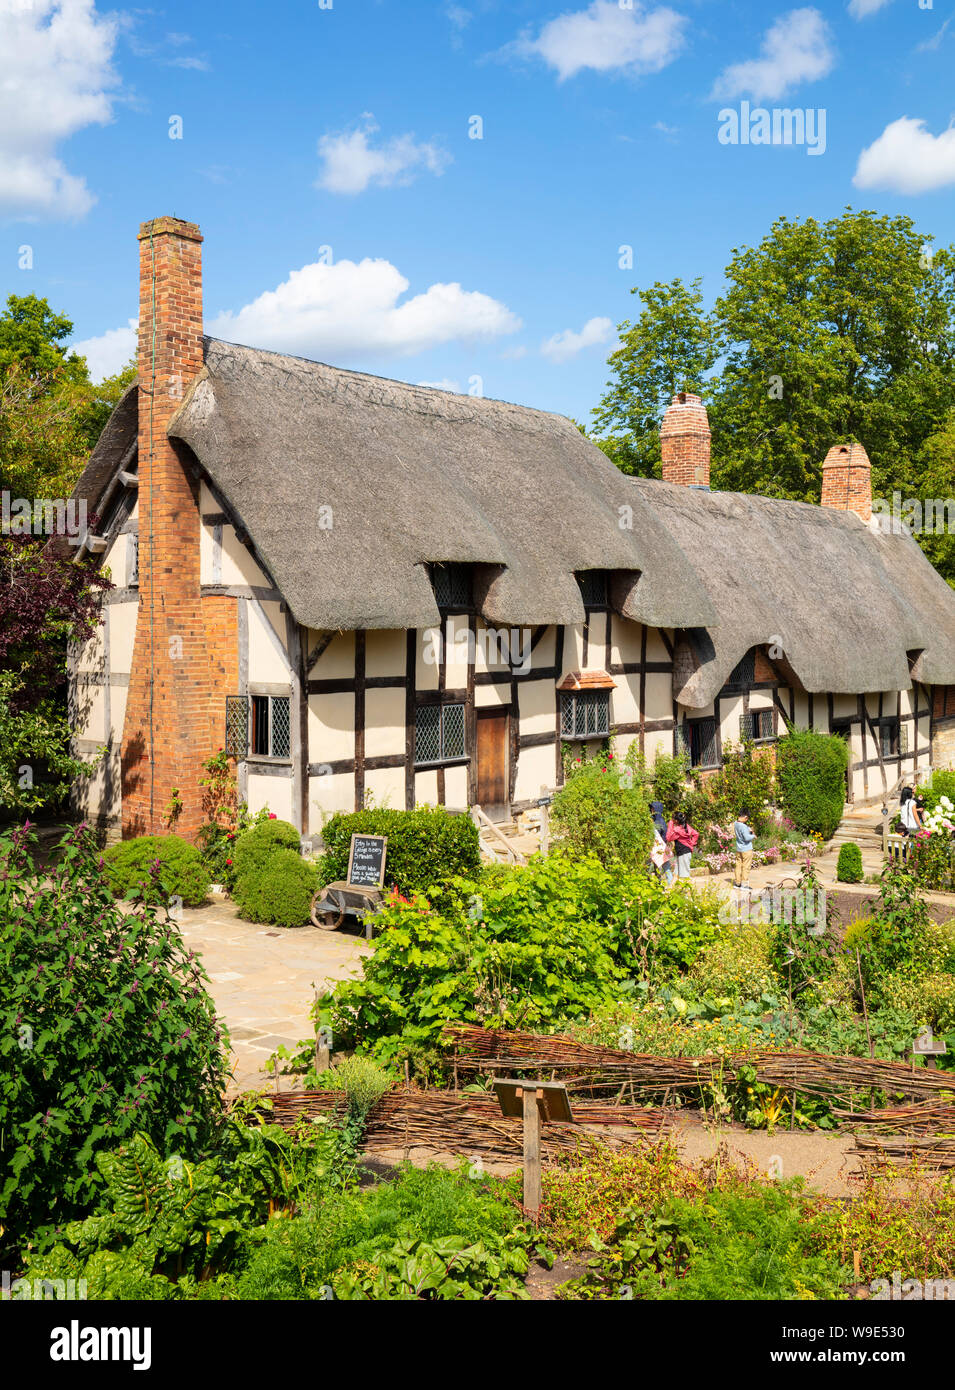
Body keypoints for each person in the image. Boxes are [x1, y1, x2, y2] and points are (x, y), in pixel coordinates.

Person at [666, 810, 699, 881]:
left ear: (676, 821)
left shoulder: (678, 831)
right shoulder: (686, 826)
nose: (672, 820)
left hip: (684, 854)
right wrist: (691, 844)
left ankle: (689, 890)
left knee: (684, 876)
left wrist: (670, 825)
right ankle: (670, 890)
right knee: (676, 874)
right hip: (683, 853)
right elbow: (695, 834)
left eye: (673, 818)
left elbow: (668, 838)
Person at [733, 811, 755, 889]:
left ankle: (737, 883)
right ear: (745, 817)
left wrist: (748, 829)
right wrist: (753, 836)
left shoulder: (736, 823)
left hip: (739, 849)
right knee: (746, 866)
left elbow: (743, 829)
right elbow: (747, 838)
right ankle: (744, 885)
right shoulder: (743, 826)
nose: (747, 820)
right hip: (746, 849)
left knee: (738, 865)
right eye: (747, 818)